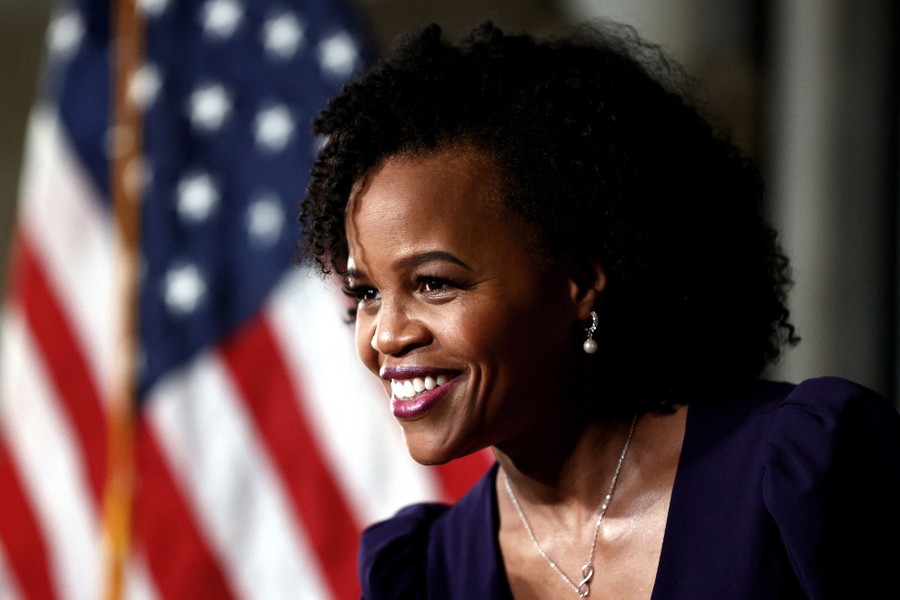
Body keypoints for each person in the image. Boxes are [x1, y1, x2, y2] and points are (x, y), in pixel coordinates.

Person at [298, 21, 900, 599]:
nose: (387, 336)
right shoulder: (426, 575)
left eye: (433, 283)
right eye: (368, 294)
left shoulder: (797, 478)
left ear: (579, 281)